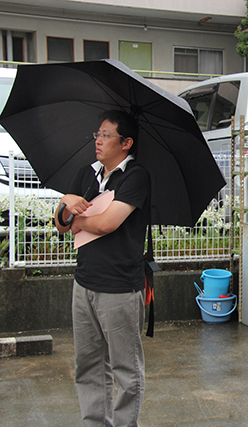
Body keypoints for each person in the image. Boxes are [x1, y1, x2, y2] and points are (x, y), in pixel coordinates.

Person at [55, 109, 150, 427]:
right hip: (84, 282)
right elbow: (61, 226)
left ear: (126, 143)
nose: (98, 140)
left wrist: (77, 219)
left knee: (126, 368)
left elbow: (108, 223)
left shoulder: (135, 176)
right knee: (88, 365)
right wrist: (65, 203)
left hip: (120, 287)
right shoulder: (87, 174)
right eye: (98, 134)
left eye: (106, 135)